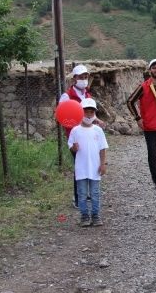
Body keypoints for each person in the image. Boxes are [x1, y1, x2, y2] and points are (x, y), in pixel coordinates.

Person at [58, 64, 104, 208]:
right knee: (79, 166)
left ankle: (88, 193)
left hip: (89, 135)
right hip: (76, 137)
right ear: (74, 78)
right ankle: (78, 197)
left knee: (90, 162)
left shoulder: (87, 95)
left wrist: (97, 120)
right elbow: (62, 115)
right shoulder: (67, 96)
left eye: (85, 77)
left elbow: (90, 114)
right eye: (81, 77)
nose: (84, 80)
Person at [126, 58, 156, 190]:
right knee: (152, 155)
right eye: (154, 68)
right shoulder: (143, 87)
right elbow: (130, 101)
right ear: (150, 70)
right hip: (150, 127)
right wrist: (138, 118)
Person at [68, 98, 108, 227]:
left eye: (91, 112)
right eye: (86, 112)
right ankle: (84, 216)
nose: (89, 114)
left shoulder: (98, 130)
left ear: (95, 113)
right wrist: (74, 148)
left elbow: (102, 148)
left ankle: (95, 216)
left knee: (95, 193)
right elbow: (71, 148)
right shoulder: (75, 130)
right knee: (82, 193)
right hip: (81, 168)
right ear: (81, 112)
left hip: (95, 167)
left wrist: (102, 164)